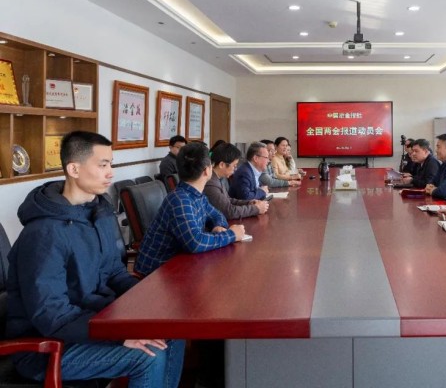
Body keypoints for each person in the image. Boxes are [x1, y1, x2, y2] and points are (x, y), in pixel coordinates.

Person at [6, 131, 184, 386]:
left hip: (96, 321)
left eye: (111, 164)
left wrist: (150, 299)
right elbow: (51, 315)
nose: (111, 173)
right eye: (103, 165)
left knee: (172, 329)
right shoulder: (43, 233)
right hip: (50, 347)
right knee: (148, 355)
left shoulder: (98, 213)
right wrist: (118, 335)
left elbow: (114, 272)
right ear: (74, 169)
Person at [135, 142, 246, 276]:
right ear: (207, 170)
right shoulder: (180, 200)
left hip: (179, 264)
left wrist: (216, 227)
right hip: (155, 273)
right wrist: (231, 235)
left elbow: (218, 215)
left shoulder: (197, 195)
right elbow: (195, 242)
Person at [205, 143, 269, 219]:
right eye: (234, 166)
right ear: (222, 165)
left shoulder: (218, 178)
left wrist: (249, 202)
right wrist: (256, 209)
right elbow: (229, 211)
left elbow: (228, 200)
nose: (235, 169)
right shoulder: (211, 183)